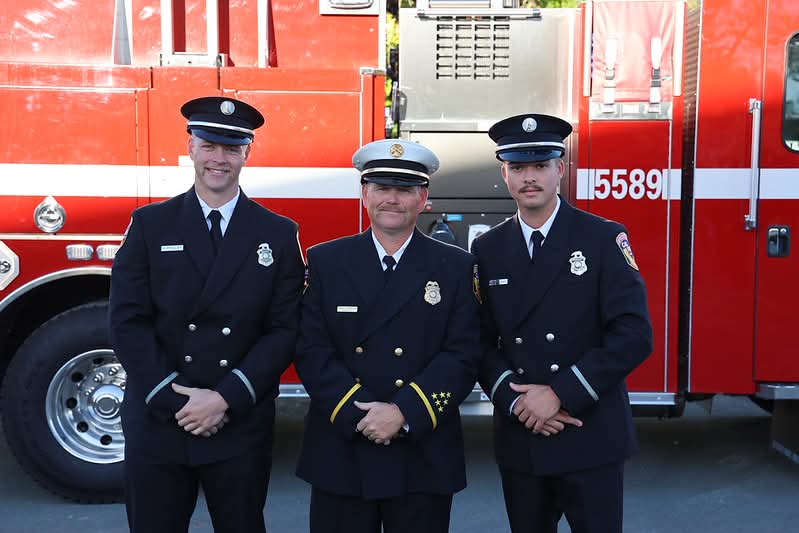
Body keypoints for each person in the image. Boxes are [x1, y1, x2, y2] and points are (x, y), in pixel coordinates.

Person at [109, 96, 305, 533]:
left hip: (237, 420)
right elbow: (127, 322)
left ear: (247, 153)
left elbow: (284, 330)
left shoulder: (277, 233)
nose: (219, 159)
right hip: (160, 417)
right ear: (191, 148)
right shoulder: (150, 225)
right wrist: (176, 400)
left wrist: (223, 399)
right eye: (209, 146)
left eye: (231, 148)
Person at [471, 113, 654, 533]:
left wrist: (560, 394)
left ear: (560, 168)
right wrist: (517, 402)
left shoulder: (602, 238)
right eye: (518, 167)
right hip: (523, 434)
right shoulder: (487, 248)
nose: (529, 177)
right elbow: (478, 341)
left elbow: (634, 335)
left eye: (540, 165)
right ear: (504, 174)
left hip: (590, 432)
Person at [294, 139, 482, 533]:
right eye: (382, 188)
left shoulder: (456, 266)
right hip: (343, 448)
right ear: (365, 194)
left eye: (405, 189)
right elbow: (311, 349)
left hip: (422, 453)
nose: (392, 200)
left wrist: (404, 412)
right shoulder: (326, 260)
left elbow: (464, 355)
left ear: (423, 198)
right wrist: (359, 414)